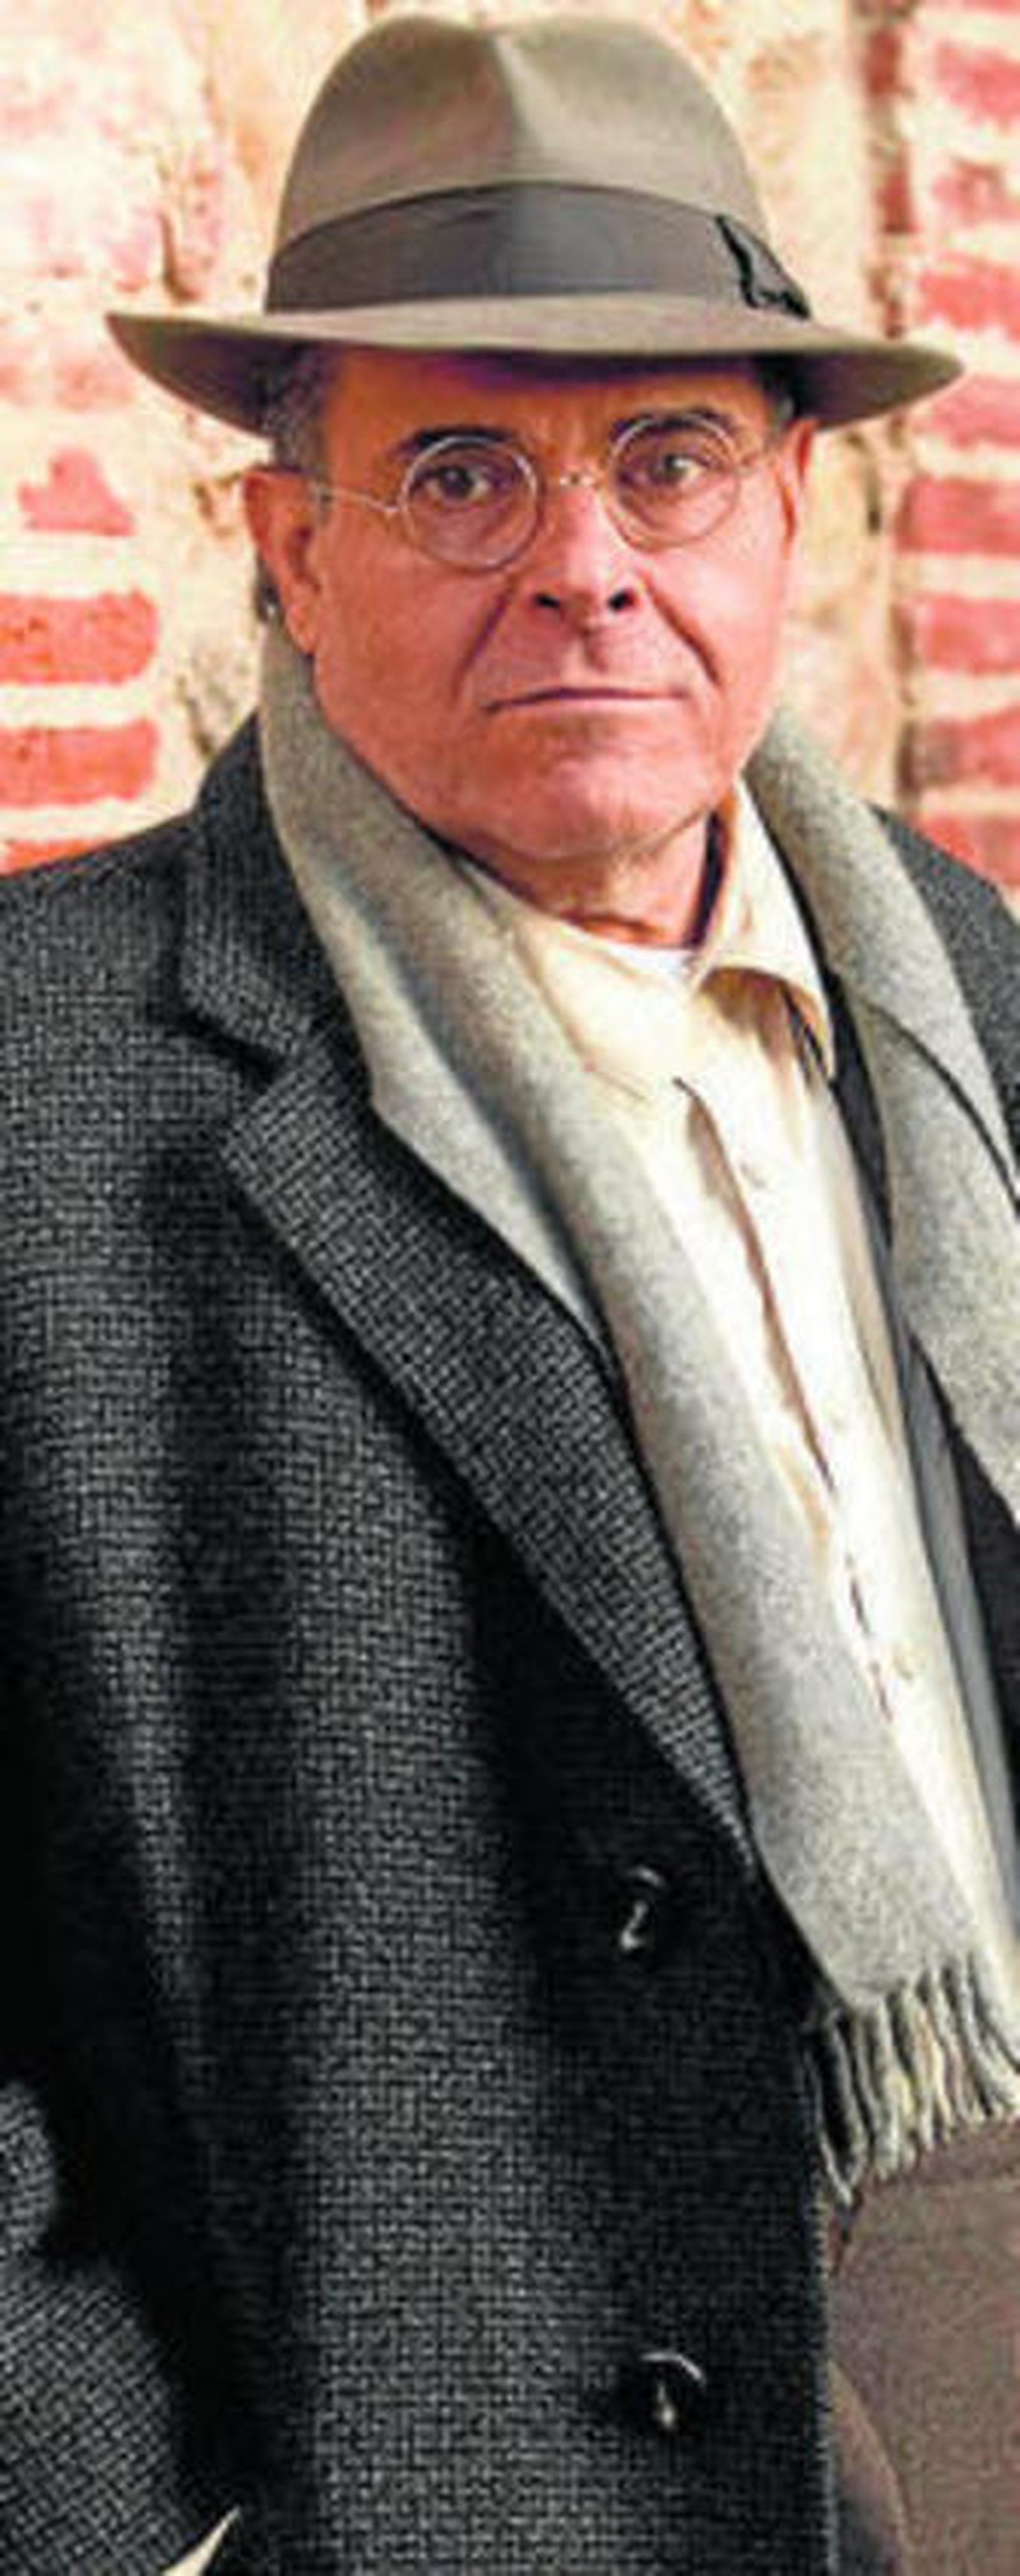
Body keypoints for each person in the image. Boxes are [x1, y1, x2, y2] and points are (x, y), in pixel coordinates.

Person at [2, 14, 1017, 2573]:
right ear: (287, 545)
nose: (586, 561)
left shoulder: (976, 996)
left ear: (788, 511)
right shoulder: (45, 1088)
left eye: (668, 459)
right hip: (441, 2434)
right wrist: (130, 2515)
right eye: (461, 472)